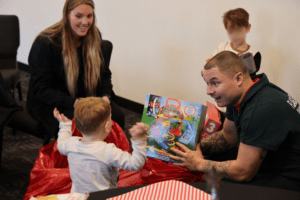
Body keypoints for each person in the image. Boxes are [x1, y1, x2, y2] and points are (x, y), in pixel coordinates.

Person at [170, 51, 300, 192]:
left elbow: (243, 173)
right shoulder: (239, 95)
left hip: (291, 177)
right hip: (270, 160)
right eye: (207, 84)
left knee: (212, 187)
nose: (208, 91)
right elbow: (228, 136)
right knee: (207, 159)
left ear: (238, 78)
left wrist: (199, 163)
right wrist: (194, 147)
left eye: (215, 83)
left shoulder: (260, 109)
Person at [27, 0, 125, 145]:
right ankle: (76, 165)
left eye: (89, 16)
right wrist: (74, 103)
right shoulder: (46, 43)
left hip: (87, 98)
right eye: (78, 16)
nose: (85, 22)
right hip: (54, 101)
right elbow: (41, 88)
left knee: (117, 115)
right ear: (67, 15)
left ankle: (109, 160)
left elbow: (104, 74)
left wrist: (105, 96)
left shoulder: (94, 35)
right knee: (80, 125)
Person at [54, 97, 149, 193]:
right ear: (108, 126)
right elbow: (135, 164)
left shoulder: (70, 144)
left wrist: (64, 124)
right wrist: (139, 139)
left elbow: (61, 142)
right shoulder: (108, 151)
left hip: (77, 196)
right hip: (103, 197)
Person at [212, 8, 261, 77]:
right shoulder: (222, 48)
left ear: (248, 28)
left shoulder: (255, 54)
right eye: (231, 32)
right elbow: (211, 67)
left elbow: (251, 78)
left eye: (239, 31)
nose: (235, 36)